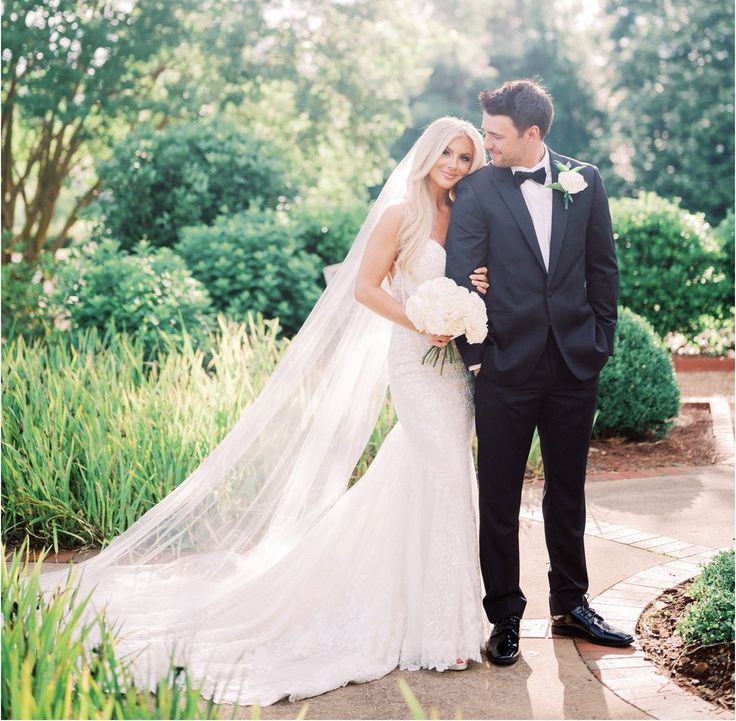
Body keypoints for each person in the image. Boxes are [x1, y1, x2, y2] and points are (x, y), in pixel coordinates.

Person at [39, 117, 490, 706]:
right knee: (450, 477)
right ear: (428, 154)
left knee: (437, 477)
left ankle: (441, 619)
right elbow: (365, 288)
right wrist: (421, 320)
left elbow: (466, 279)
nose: (455, 164)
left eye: (465, 156)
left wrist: (473, 287)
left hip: (452, 369)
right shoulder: (400, 215)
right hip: (413, 359)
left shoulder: (467, 214)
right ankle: (439, 631)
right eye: (448, 154)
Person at [445, 79, 633, 668]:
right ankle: (504, 615)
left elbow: (603, 270)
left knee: (567, 492)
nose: (487, 144)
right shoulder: (476, 190)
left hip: (574, 364)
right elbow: (458, 276)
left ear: (533, 133)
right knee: (498, 497)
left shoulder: (587, 179)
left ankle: (571, 603)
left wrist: (599, 341)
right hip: (504, 363)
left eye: (496, 135)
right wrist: (475, 356)